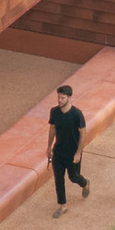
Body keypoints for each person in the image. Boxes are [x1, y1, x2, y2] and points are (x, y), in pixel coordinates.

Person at [46, 84, 90, 217]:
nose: (59, 100)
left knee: (73, 177)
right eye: (58, 97)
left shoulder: (77, 114)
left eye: (62, 98)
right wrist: (49, 147)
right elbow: (52, 128)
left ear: (69, 98)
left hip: (72, 152)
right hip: (58, 151)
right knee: (58, 179)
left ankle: (85, 183)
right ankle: (63, 205)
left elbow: (83, 133)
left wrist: (78, 152)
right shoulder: (54, 111)